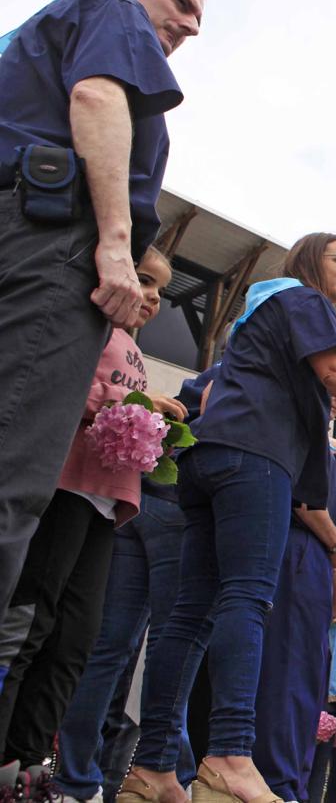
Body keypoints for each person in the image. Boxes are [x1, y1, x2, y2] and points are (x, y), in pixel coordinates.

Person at [120, 233, 336, 803]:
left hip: (206, 462)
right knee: (246, 598)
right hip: (254, 460)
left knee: (189, 616)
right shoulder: (303, 299)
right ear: (311, 260)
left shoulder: (257, 317)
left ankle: (153, 769)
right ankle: (231, 757)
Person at [0, 0, 208, 650]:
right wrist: (116, 243)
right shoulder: (109, 12)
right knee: (13, 470)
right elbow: (96, 97)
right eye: (178, 2)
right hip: (49, 237)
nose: (189, 25)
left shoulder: (27, 45)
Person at [0, 247, 179, 782]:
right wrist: (135, 409)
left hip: (107, 507)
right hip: (63, 489)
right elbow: (56, 386)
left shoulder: (136, 353)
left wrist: (155, 428)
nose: (152, 298)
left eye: (161, 291)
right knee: (33, 621)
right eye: (145, 281)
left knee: (77, 639)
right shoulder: (83, 326)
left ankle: (30, 765)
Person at [55, 366, 215, 803]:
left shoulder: (205, 378)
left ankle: (74, 781)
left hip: (139, 502)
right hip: (178, 509)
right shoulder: (239, 375)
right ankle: (169, 772)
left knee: (107, 649)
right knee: (173, 644)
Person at [251, 437, 336, 803]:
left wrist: (334, 586)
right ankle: (280, 783)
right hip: (298, 554)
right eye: (334, 459)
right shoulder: (304, 441)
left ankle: (292, 783)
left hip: (318, 571)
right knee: (287, 674)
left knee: (308, 680)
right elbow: (306, 503)